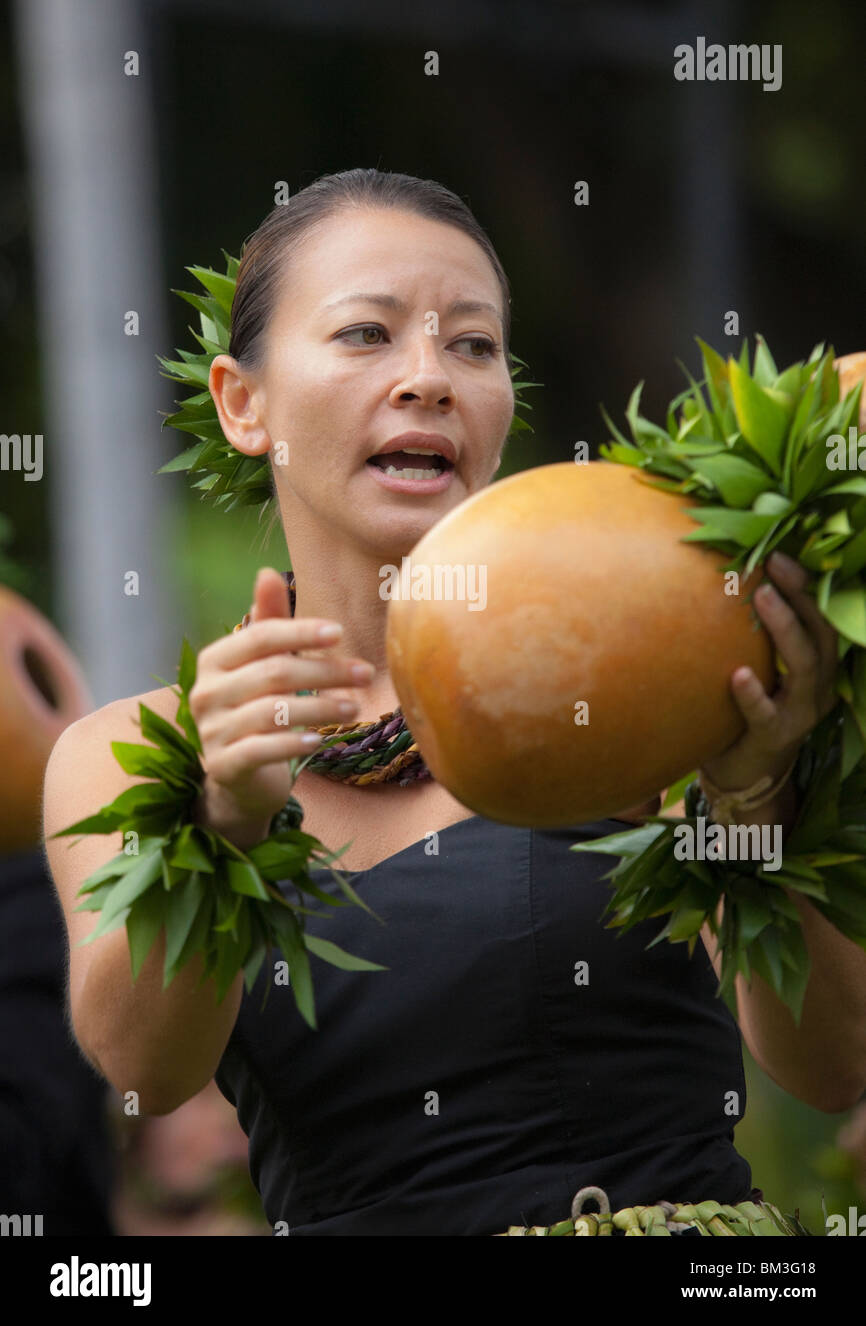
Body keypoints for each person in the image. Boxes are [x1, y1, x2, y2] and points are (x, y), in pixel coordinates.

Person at [42, 169, 866, 1236]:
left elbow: (832, 1063)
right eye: (364, 335)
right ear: (243, 405)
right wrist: (226, 823)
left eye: (471, 345)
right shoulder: (133, 755)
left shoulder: (658, 670)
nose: (428, 376)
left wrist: (754, 796)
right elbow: (143, 1070)